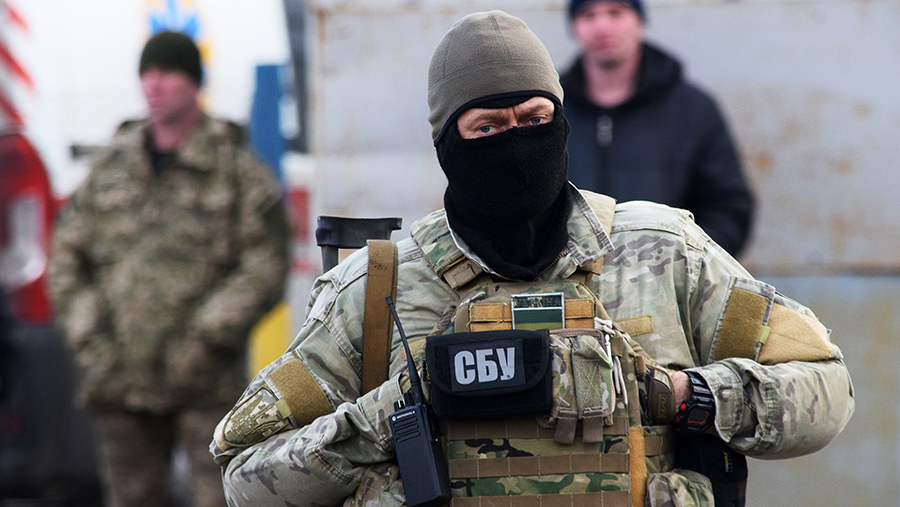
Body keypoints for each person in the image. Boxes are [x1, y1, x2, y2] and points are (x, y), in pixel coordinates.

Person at [210, 11, 853, 507]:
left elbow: (827, 389)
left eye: (534, 117)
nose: (516, 143)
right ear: (447, 145)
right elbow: (243, 477)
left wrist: (686, 394)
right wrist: (394, 412)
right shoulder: (376, 289)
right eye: (487, 128)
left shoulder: (663, 254)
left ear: (561, 122)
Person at [47, 31, 290, 507]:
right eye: (148, 73)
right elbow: (66, 257)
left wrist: (205, 337)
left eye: (168, 73)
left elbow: (264, 264)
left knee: (219, 496)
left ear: (194, 83)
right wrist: (90, 337)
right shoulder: (111, 167)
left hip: (204, 380)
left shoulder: (235, 170)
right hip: (119, 378)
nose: (154, 84)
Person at [561, 0, 755, 257]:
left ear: (639, 21)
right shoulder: (549, 111)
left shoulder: (692, 108)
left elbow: (727, 207)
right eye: (588, 15)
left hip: (665, 275)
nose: (602, 26)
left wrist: (680, 264)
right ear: (574, 26)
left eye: (616, 13)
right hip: (570, 276)